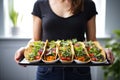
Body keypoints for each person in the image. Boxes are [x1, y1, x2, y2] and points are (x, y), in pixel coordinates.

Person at [14, 0, 114, 80]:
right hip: (47, 71)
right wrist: (25, 50)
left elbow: (92, 41)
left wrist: (102, 51)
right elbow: (36, 41)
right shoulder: (40, 4)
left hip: (79, 71)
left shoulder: (88, 4)